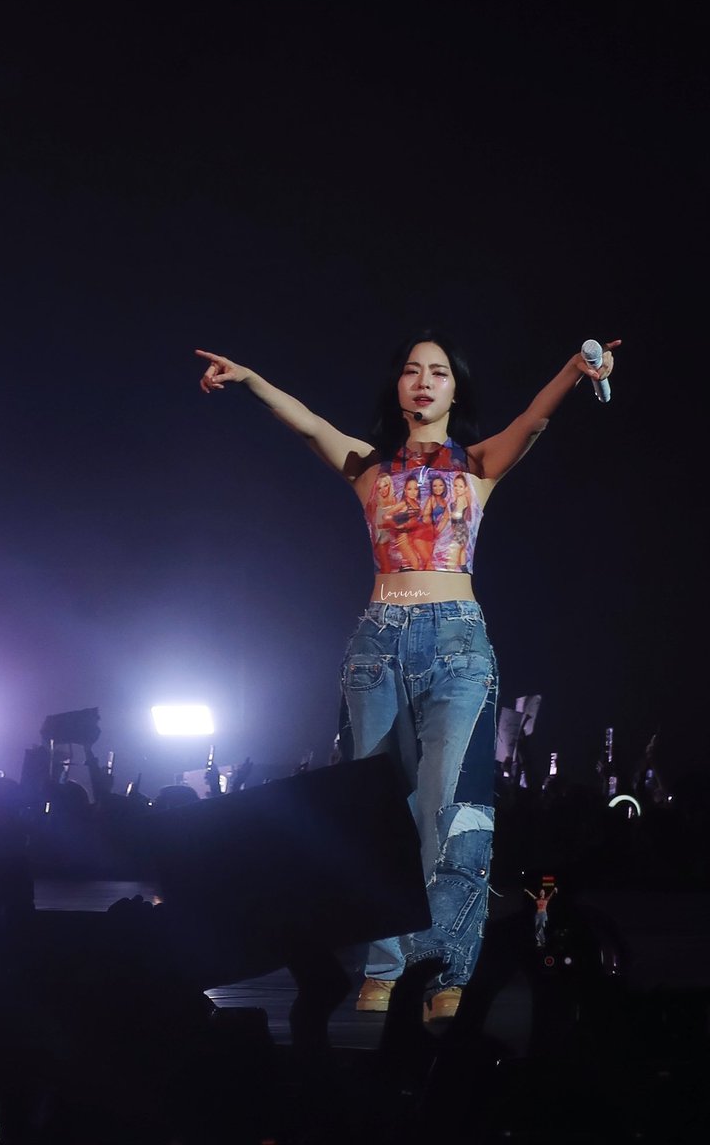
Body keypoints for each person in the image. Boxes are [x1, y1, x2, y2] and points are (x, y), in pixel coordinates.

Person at [196, 328, 618, 1025]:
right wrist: (248, 379)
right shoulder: (369, 465)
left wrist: (576, 368)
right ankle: (384, 966)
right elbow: (305, 423)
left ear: (456, 389)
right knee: (376, 813)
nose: (424, 381)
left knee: (446, 810)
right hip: (377, 644)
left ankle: (446, 967)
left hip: (457, 640)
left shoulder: (480, 462)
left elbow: (535, 419)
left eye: (439, 373)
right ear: (397, 387)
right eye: (413, 372)